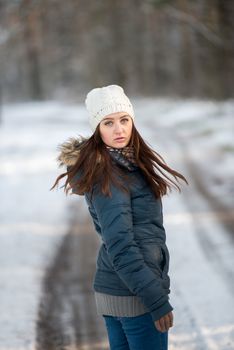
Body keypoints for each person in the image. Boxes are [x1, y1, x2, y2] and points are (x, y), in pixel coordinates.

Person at [51, 84, 188, 350]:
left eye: (124, 120)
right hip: (134, 295)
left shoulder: (124, 165)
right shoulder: (110, 175)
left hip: (121, 289)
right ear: (96, 129)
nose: (119, 129)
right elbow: (121, 246)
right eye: (108, 123)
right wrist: (155, 300)